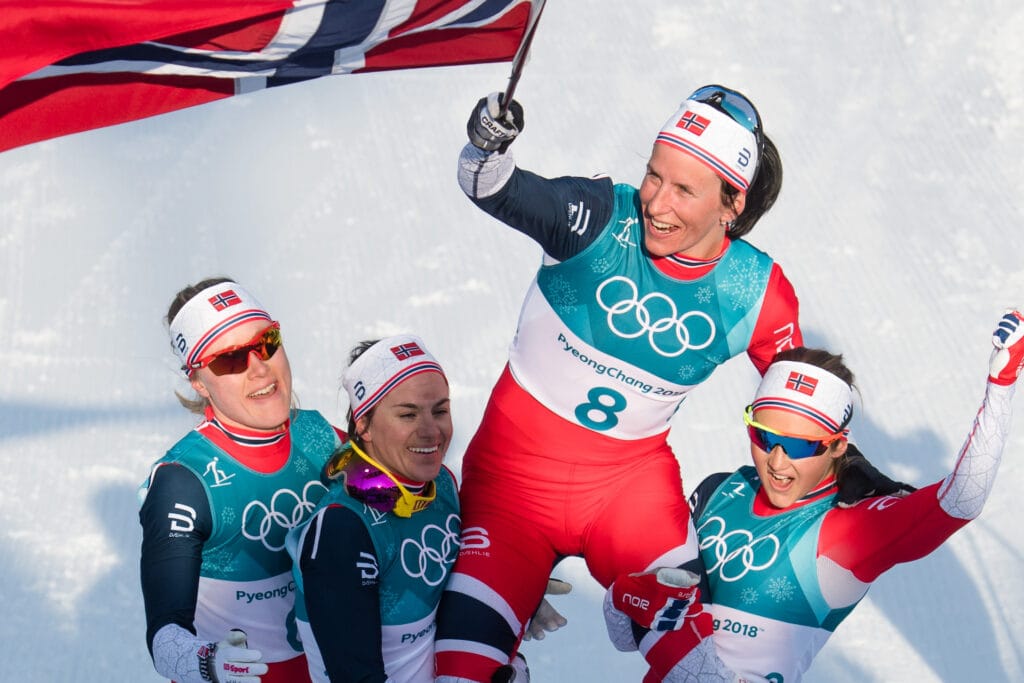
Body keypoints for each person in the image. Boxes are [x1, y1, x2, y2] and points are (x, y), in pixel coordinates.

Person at [434, 84, 804, 682]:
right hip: (510, 491)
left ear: (731, 204)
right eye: (655, 176)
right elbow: (494, 187)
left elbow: (803, 407)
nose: (656, 202)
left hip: (627, 496)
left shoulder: (756, 292)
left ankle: (627, 604)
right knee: (458, 671)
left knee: (710, 668)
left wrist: (842, 489)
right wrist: (487, 145)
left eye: (685, 190)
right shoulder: (601, 216)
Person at [604, 309, 1024, 682]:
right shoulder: (718, 491)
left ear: (839, 445)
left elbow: (962, 499)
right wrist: (623, 596)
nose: (778, 461)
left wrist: (1000, 385)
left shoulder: (850, 531)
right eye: (764, 437)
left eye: (803, 445)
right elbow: (625, 632)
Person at [138, 277, 345, 683]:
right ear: (198, 381)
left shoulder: (321, 436)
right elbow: (165, 636)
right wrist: (207, 663)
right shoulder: (184, 481)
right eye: (230, 360)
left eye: (266, 342)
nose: (259, 368)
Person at [286, 334, 460, 682]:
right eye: (408, 415)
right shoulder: (342, 528)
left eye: (440, 411)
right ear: (363, 424)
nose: (431, 432)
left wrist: (505, 597)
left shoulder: (441, 484)